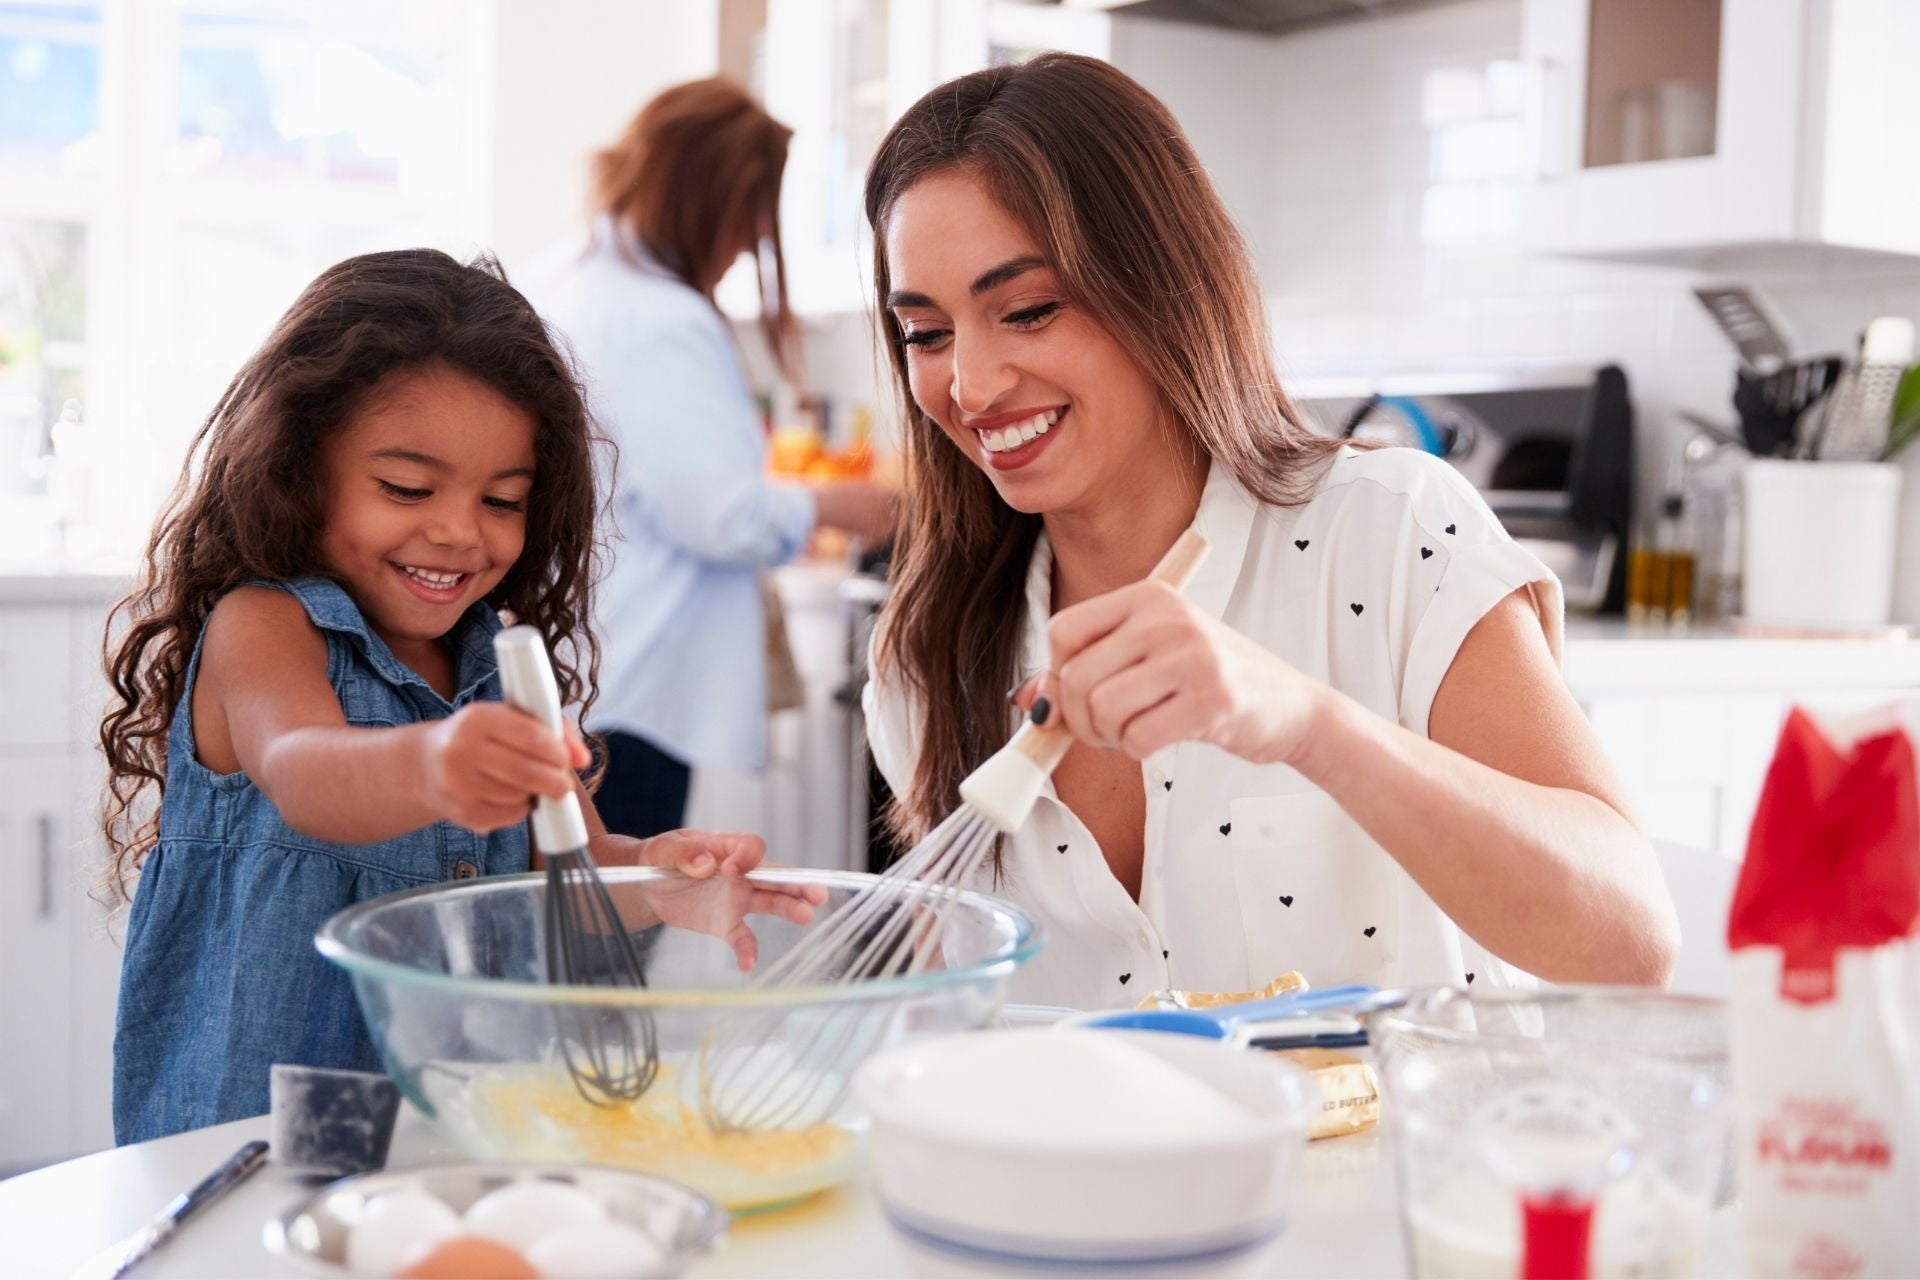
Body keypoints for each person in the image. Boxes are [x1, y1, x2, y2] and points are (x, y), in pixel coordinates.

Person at [861, 54, 1679, 1010]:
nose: (971, 385)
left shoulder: (1387, 534)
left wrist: (1308, 723)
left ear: (1160, 284)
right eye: (926, 333)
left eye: (1029, 310)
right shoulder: (928, 655)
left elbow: (1633, 940)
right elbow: (953, 1021)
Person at [100, 249, 823, 1143]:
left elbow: (571, 868)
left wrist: (664, 883)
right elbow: (305, 770)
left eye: (502, 500)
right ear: (298, 467)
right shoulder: (266, 627)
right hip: (246, 1146)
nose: (457, 532)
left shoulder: (504, 666)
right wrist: (436, 762)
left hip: (443, 1137)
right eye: (407, 488)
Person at [526, 79, 894, 839]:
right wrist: (836, 504)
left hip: (584, 675)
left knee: (569, 936)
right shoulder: (661, 319)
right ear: (713, 201)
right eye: (748, 222)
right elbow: (718, 516)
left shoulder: (570, 278)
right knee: (609, 937)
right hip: (633, 693)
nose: (746, 247)